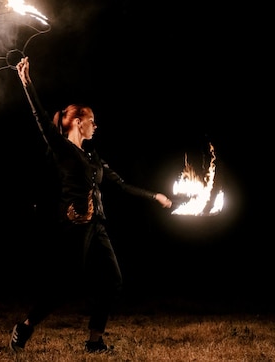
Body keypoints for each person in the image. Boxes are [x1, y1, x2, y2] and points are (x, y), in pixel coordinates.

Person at [9, 57, 173, 354]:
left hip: (97, 226)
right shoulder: (63, 150)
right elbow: (41, 120)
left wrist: (154, 196)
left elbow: (120, 184)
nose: (96, 125)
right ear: (77, 121)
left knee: (113, 281)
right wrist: (27, 82)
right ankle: (25, 326)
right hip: (73, 226)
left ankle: (94, 341)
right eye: (92, 120)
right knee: (66, 285)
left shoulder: (93, 158)